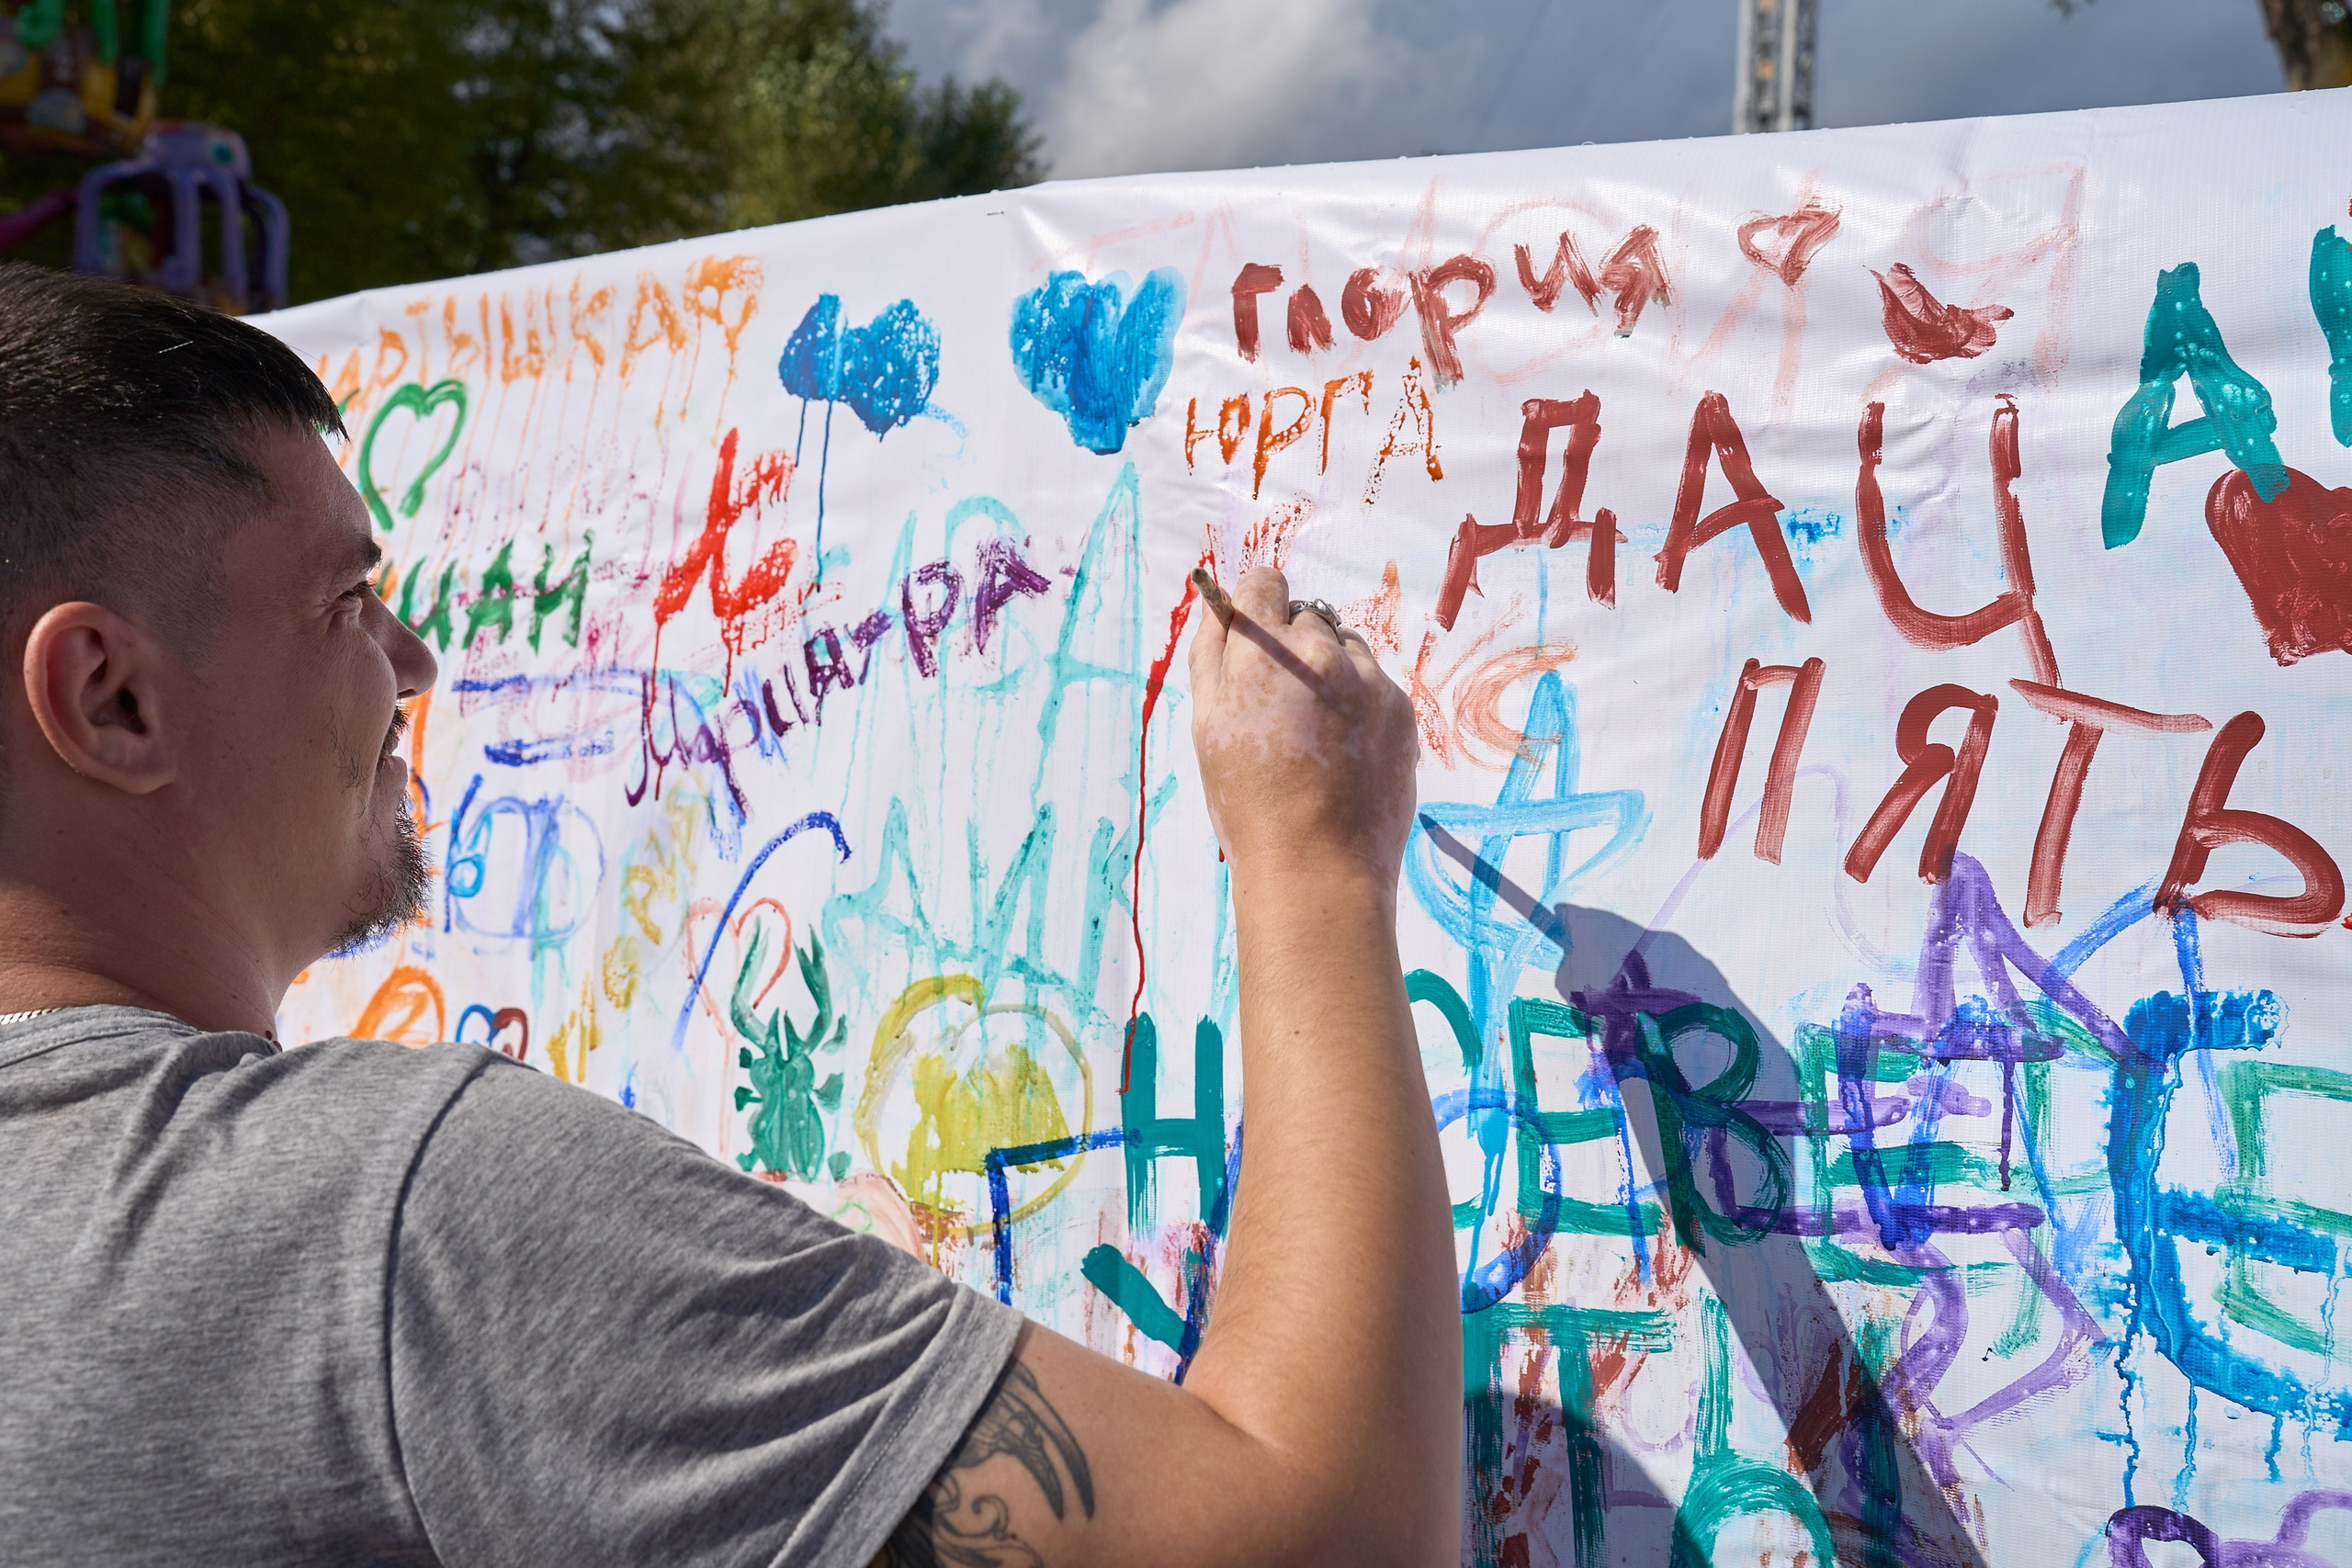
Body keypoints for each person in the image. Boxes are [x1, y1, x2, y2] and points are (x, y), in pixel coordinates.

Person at [0, 263, 1459, 1566]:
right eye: (342, 603)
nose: (414, 659)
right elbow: (1326, 1537)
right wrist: (1313, 865)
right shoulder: (395, 1224)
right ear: (111, 700)